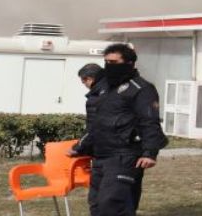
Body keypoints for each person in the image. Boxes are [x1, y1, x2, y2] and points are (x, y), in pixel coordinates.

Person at [70, 43, 168, 216]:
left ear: (129, 63)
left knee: (112, 203)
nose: (109, 66)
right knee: (97, 205)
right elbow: (96, 123)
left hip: (125, 156)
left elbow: (150, 122)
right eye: (106, 62)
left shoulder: (142, 89)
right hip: (101, 156)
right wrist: (80, 147)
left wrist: (150, 152)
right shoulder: (104, 88)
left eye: (114, 62)